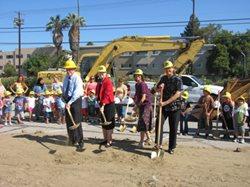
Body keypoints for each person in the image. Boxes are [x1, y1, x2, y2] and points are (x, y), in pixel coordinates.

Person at [156, 60, 183, 154]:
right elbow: (156, 89)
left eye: (169, 68)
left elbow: (178, 93)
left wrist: (165, 102)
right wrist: (160, 88)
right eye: (166, 69)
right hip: (164, 107)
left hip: (175, 107)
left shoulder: (178, 79)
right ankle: (158, 144)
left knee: (173, 127)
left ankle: (171, 147)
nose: (168, 70)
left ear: (173, 69)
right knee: (159, 123)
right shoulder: (163, 78)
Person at [62, 58, 84, 152]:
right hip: (68, 100)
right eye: (67, 69)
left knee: (76, 121)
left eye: (70, 69)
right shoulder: (66, 77)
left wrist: (70, 103)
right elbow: (64, 88)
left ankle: (80, 141)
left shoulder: (77, 78)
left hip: (75, 100)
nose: (68, 71)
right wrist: (63, 97)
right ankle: (72, 139)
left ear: (74, 69)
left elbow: (77, 92)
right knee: (69, 121)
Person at [96, 65, 116, 148]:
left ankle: (109, 141)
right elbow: (98, 92)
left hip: (109, 104)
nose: (101, 75)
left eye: (102, 73)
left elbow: (107, 94)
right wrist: (98, 100)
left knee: (109, 124)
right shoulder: (100, 82)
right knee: (104, 123)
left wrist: (103, 105)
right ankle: (105, 139)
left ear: (105, 73)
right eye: (100, 73)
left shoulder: (108, 81)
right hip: (102, 103)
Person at [133, 69, 153, 148]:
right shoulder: (136, 85)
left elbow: (144, 97)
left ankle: (141, 142)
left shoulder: (142, 84)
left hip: (146, 106)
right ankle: (149, 138)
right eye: (136, 76)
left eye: (139, 76)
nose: (137, 77)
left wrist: (137, 106)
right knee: (144, 124)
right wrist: (135, 102)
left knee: (143, 124)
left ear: (141, 77)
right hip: (142, 106)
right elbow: (137, 95)